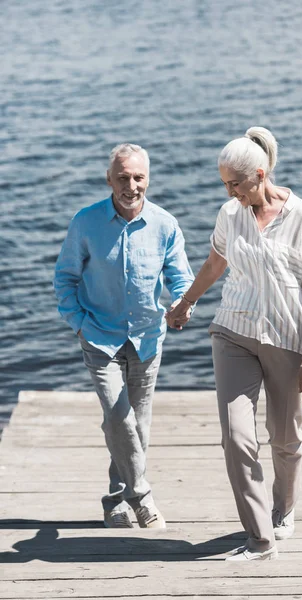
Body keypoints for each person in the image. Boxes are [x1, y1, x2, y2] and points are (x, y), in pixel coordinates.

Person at [167, 127, 302, 561]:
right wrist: (186, 303)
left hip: (285, 339)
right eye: (225, 184)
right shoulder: (229, 214)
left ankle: (283, 509)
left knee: (285, 438)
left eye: (234, 183)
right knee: (237, 437)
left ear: (259, 175)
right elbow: (215, 262)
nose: (229, 191)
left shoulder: (301, 217)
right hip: (233, 333)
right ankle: (260, 538)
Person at [54, 143, 194, 529]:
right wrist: (78, 322)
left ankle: (116, 499)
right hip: (99, 336)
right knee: (119, 417)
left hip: (148, 338)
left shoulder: (165, 224)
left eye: (138, 177)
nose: (131, 186)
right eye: (122, 177)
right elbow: (64, 278)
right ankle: (141, 495)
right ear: (109, 179)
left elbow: (180, 277)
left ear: (147, 178)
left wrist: (184, 304)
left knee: (139, 423)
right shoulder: (86, 222)